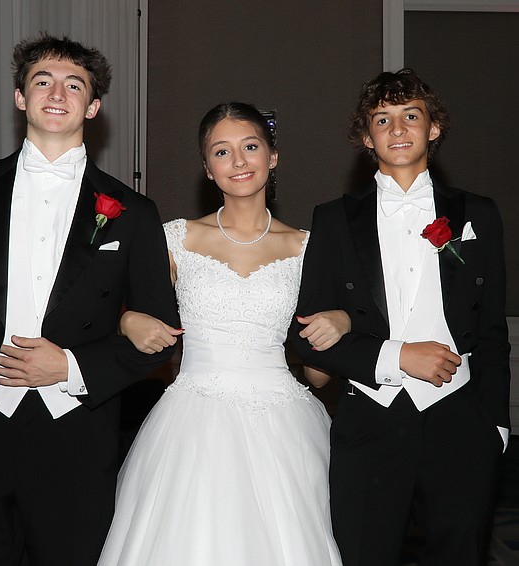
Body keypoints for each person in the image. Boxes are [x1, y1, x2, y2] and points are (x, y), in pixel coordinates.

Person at [0, 33, 179, 566]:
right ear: (20, 97)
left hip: (75, 429)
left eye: (74, 84)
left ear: (93, 106)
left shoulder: (134, 211)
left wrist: (73, 367)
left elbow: (160, 336)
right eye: (43, 81)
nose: (58, 92)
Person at [96, 102, 348, 565]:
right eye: (222, 151)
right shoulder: (176, 238)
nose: (238, 161)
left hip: (284, 424)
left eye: (250, 147)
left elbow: (319, 375)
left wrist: (344, 322)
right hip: (194, 419)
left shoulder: (308, 246)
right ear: (207, 169)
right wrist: (128, 319)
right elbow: (119, 308)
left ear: (273, 157)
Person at [292, 68, 511, 565]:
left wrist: (495, 424)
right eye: (382, 119)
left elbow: (495, 328)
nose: (397, 129)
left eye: (410, 116)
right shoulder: (333, 220)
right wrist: (397, 357)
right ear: (365, 137)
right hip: (370, 418)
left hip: (461, 417)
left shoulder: (479, 214)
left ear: (433, 127)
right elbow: (305, 339)